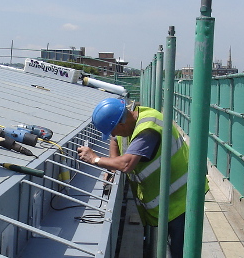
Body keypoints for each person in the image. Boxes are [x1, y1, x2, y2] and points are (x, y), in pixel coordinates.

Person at [77, 98, 205, 258]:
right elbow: (115, 140)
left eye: (113, 129)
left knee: (181, 251)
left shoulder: (147, 131)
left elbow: (126, 164)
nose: (113, 134)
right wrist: (111, 164)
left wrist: (95, 159)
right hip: (168, 200)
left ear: (121, 124)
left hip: (182, 199)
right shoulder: (132, 119)